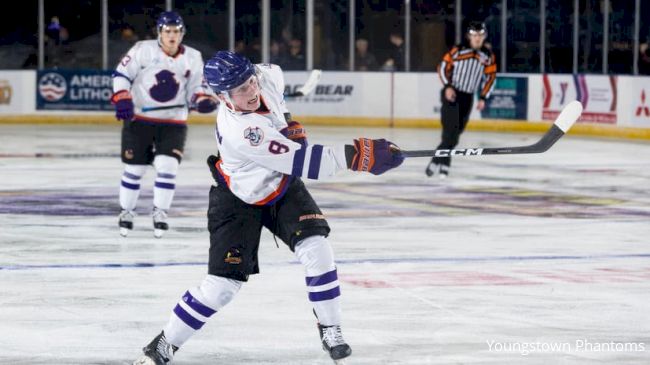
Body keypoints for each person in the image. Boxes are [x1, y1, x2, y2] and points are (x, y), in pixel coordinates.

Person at [132, 51, 404, 365]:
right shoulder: (241, 131)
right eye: (240, 90)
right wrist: (362, 156)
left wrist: (286, 124)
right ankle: (164, 345)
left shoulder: (267, 75)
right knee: (222, 287)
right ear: (223, 97)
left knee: (318, 249)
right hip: (238, 197)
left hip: (281, 186)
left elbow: (279, 108)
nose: (250, 92)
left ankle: (331, 329)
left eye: (250, 82)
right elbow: (304, 162)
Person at [111, 11, 217, 238]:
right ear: (159, 32)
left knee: (167, 166)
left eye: (176, 31)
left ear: (182, 34)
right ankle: (127, 211)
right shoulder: (142, 49)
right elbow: (121, 74)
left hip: (173, 123)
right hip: (139, 121)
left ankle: (160, 212)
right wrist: (122, 97)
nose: (172, 36)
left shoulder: (193, 57)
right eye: (167, 31)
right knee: (135, 169)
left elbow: (196, 89)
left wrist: (201, 101)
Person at [425, 21, 496, 178]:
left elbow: (490, 77)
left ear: (484, 37)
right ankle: (443, 165)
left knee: (456, 134)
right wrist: (448, 87)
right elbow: (442, 67)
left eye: (480, 35)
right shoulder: (458, 50)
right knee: (450, 133)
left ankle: (437, 161)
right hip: (453, 94)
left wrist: (483, 97)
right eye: (474, 35)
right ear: (469, 36)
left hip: (468, 98)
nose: (477, 38)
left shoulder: (487, 56)